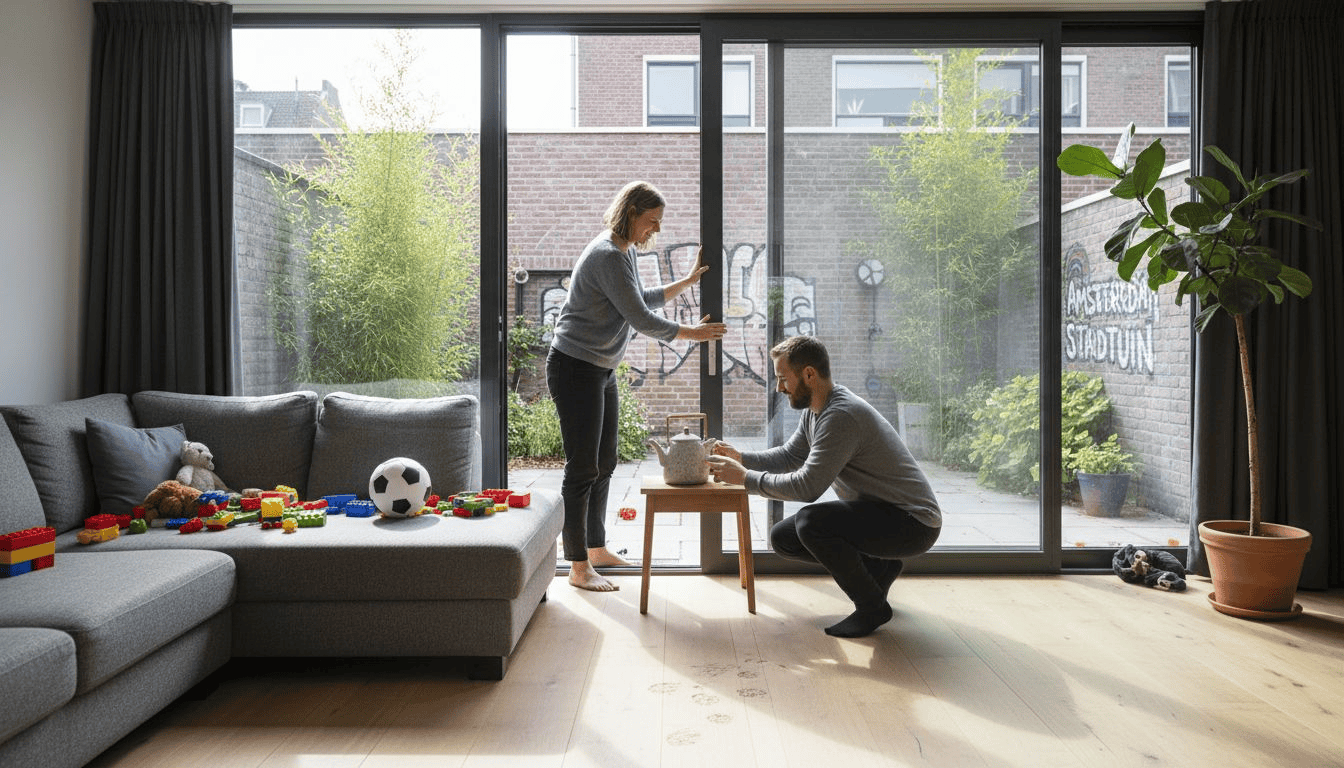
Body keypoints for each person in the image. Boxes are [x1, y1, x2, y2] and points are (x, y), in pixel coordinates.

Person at [547, 180, 726, 593]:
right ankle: (577, 565)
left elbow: (638, 298)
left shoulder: (623, 250)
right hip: (575, 368)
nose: (656, 230)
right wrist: (694, 335)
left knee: (605, 460)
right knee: (582, 467)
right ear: (631, 213)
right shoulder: (608, 254)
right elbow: (642, 319)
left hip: (600, 368)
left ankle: (595, 549)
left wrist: (685, 282)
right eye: (652, 221)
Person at [706, 336, 941, 637]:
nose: (779, 388)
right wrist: (742, 458)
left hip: (914, 523)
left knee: (812, 523)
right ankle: (879, 568)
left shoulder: (841, 416)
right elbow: (791, 456)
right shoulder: (816, 409)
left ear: (808, 374)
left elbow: (808, 487)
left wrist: (746, 479)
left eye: (783, 379)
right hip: (882, 512)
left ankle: (872, 608)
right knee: (783, 538)